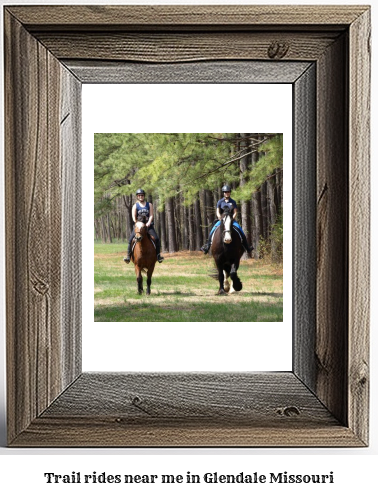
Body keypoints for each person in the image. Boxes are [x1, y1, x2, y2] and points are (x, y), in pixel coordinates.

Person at [200, 185, 253, 255]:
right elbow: (218, 211)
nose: (226, 193)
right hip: (222, 220)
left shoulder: (233, 202)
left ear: (230, 192)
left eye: (228, 192)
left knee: (240, 230)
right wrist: (219, 217)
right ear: (223, 193)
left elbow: (235, 212)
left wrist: (232, 218)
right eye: (225, 192)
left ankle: (247, 247)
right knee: (212, 230)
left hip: (231, 220)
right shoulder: (220, 202)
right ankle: (207, 246)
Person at [124, 189, 164, 263]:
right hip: (139, 227)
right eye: (139, 195)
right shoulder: (135, 206)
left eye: (142, 195)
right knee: (130, 240)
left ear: (144, 196)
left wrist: (149, 222)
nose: (141, 196)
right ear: (137, 196)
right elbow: (134, 217)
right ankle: (128, 256)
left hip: (148, 226)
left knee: (157, 238)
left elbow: (151, 215)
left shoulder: (149, 205)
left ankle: (158, 256)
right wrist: (138, 224)